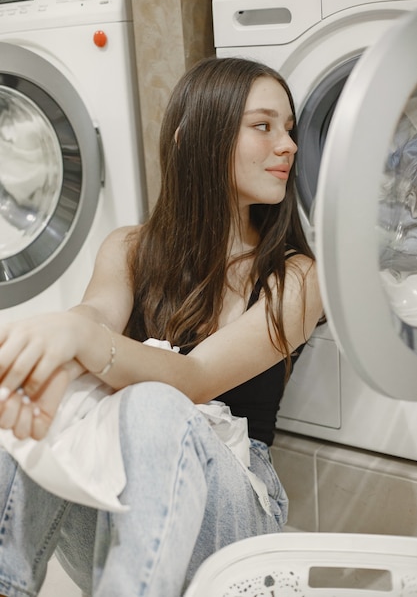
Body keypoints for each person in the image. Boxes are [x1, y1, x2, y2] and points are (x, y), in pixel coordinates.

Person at [0, 56, 323, 597]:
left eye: (288, 129)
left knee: (154, 403)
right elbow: (96, 314)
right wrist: (57, 337)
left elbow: (195, 377)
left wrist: (88, 341)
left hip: (234, 519)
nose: (289, 145)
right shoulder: (129, 247)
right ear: (194, 138)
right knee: (26, 398)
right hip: (124, 516)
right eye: (263, 126)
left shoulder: (296, 276)